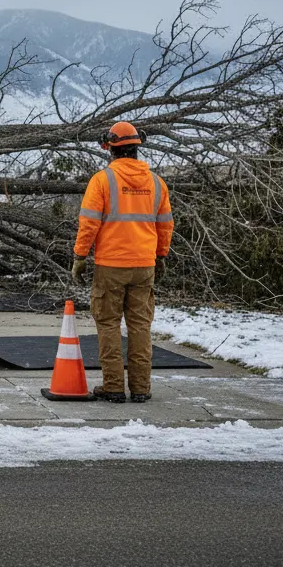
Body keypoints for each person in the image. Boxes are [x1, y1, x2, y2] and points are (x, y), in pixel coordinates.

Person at [72, 121, 173, 403]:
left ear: (110, 148)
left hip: (111, 266)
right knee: (140, 326)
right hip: (144, 265)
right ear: (137, 147)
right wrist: (161, 255)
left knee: (108, 324)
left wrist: (80, 256)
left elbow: (89, 224)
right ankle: (141, 388)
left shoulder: (103, 180)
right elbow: (165, 225)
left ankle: (114, 387)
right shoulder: (156, 183)